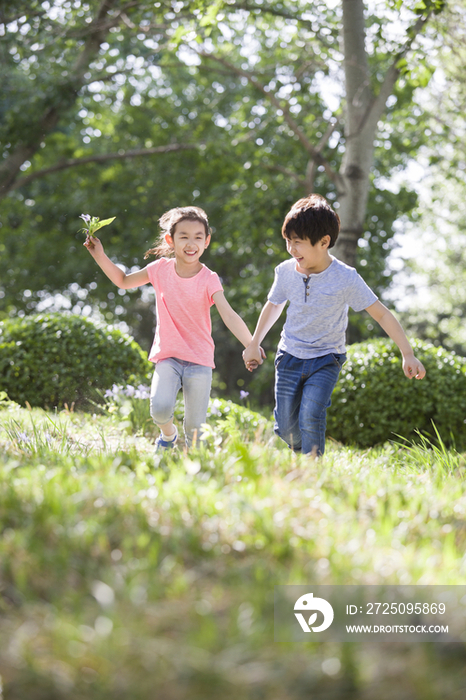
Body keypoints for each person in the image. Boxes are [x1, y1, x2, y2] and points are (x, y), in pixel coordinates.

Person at [242, 194, 426, 457]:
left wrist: (407, 352)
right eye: (288, 242)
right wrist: (253, 342)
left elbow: (381, 314)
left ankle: (312, 468)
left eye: (298, 243)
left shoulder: (345, 278)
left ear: (324, 242)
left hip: (326, 359)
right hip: (290, 356)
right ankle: (300, 453)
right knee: (285, 426)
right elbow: (273, 305)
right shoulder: (285, 271)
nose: (291, 250)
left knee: (311, 414)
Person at [85, 205, 261, 451]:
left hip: (199, 360)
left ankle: (195, 471)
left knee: (196, 430)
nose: (191, 243)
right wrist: (99, 255)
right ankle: (168, 436)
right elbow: (123, 281)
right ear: (171, 239)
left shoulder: (208, 278)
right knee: (159, 409)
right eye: (184, 237)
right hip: (168, 356)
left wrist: (251, 344)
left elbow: (228, 314)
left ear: (207, 241)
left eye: (198, 237)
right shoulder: (160, 270)